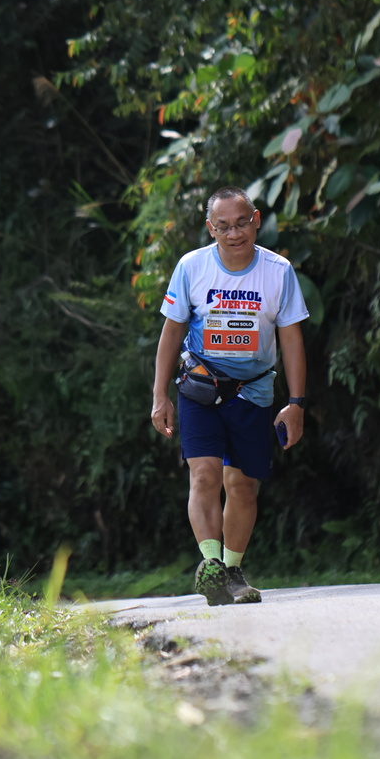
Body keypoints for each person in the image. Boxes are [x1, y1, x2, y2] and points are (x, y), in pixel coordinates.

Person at [151, 185, 308, 605]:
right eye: (223, 226)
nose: (234, 233)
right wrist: (160, 395)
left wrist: (296, 403)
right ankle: (212, 568)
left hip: (253, 392)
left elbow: (291, 339)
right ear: (210, 228)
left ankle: (233, 570)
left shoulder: (278, 271)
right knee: (203, 476)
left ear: (256, 221)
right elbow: (171, 331)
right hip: (200, 387)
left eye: (241, 223)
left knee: (242, 486)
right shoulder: (192, 267)